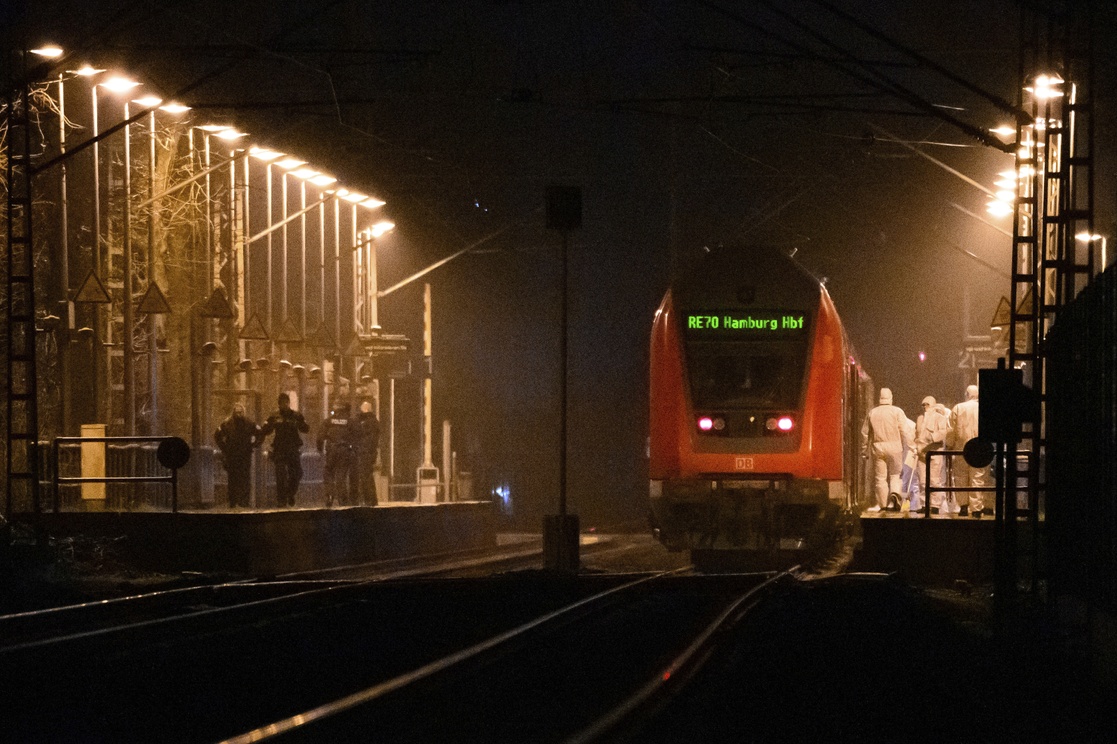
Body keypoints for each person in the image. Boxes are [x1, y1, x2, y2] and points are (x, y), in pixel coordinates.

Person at [861, 387, 912, 512]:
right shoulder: (897, 411)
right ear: (891, 397)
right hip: (895, 447)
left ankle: (883, 504)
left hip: (878, 447)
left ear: (880, 397)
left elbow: (865, 433)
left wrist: (864, 450)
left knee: (880, 477)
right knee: (895, 474)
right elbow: (905, 431)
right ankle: (894, 494)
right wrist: (912, 446)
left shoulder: (872, 412)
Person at [260, 392, 309, 508]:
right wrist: (265, 428)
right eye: (281, 403)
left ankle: (290, 493)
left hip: (293, 449)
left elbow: (306, 429)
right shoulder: (275, 416)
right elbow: (266, 430)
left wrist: (300, 423)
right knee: (280, 475)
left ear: (288, 403)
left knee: (297, 474)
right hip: (279, 450)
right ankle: (281, 500)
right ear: (278, 404)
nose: (283, 405)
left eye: (285, 403)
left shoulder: (296, 416)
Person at [949, 384, 989, 517]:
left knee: (961, 477)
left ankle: (963, 507)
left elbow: (951, 430)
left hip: (961, 447)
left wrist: (950, 445)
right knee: (978, 477)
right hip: (980, 446)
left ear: (967, 394)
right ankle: (977, 509)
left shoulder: (958, 408)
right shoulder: (985, 407)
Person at [214, 402, 260, 509]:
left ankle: (243, 502)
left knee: (244, 478)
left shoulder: (249, 423)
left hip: (244, 455)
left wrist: (253, 445)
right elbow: (217, 435)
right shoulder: (227, 423)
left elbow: (259, 433)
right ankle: (234, 502)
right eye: (237, 412)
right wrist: (225, 448)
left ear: (243, 412)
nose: (239, 414)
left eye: (240, 412)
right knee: (233, 478)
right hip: (233, 455)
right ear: (234, 412)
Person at [317, 401, 361, 507]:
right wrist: (353, 449)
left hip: (331, 450)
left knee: (328, 471)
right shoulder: (351, 421)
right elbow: (358, 436)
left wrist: (319, 449)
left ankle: (329, 495)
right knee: (341, 474)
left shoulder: (328, 421)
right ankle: (343, 500)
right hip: (345, 450)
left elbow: (320, 437)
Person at [913, 396, 952, 514]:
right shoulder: (920, 419)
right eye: (923, 404)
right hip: (922, 452)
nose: (925, 407)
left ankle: (935, 505)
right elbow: (916, 434)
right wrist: (915, 445)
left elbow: (943, 432)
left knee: (935, 480)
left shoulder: (939, 418)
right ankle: (925, 504)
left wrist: (931, 438)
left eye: (927, 404)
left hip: (935, 451)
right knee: (923, 481)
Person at [356, 400, 381, 506]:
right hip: (370, 452)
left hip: (364, 451)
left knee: (364, 476)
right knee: (368, 475)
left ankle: (368, 500)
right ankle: (371, 499)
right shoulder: (375, 421)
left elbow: (361, 436)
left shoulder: (364, 422)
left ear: (365, 409)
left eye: (362, 408)